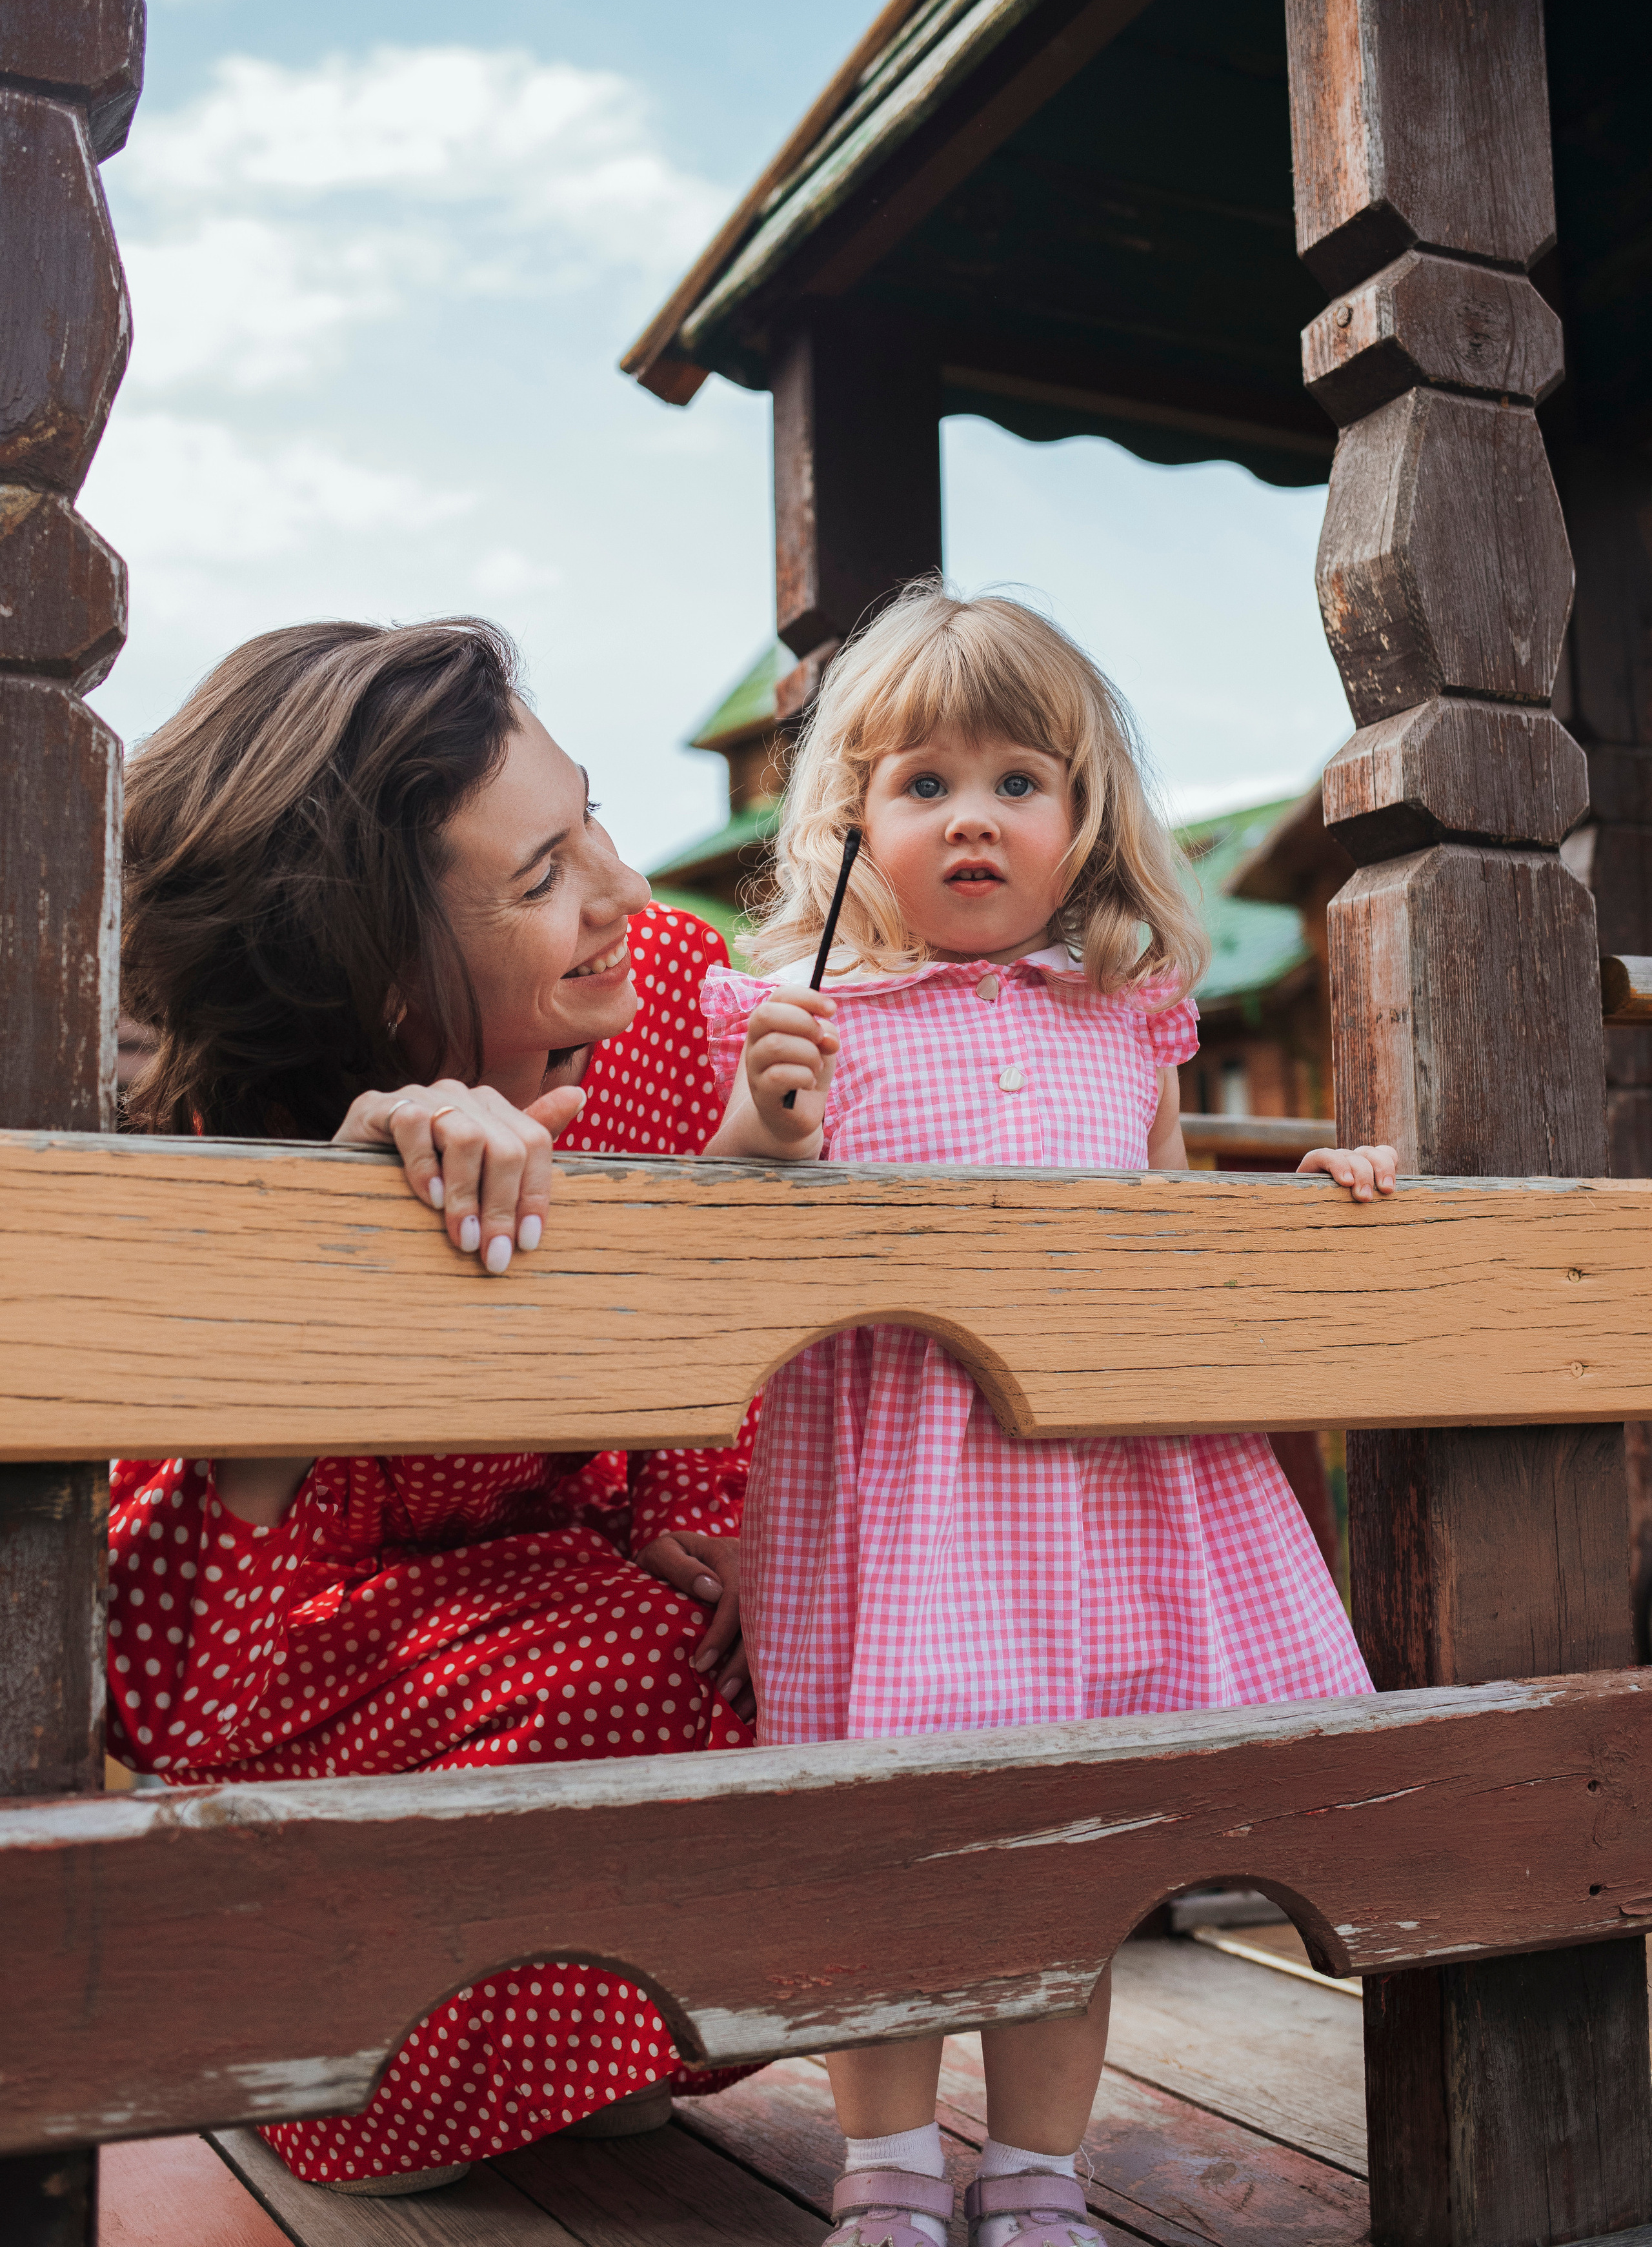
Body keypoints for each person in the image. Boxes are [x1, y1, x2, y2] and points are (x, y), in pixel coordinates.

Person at [701, 585, 1395, 2247]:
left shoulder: (1121, 1014)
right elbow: (717, 1245)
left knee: (1060, 1851)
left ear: (1081, 820)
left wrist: (1301, 1196)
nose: (972, 819)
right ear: (851, 820)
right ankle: (879, 2163)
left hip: (1084, 1488)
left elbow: (1162, 1226)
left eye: (1019, 781)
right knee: (890, 1845)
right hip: (891, 1487)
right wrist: (762, 1136)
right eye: (922, 783)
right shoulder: (806, 1020)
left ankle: (1033, 2168)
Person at [110, 617, 756, 2197]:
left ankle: (578, 2038)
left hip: (565, 1570)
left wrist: (710, 1523)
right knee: (622, 1681)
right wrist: (349, 1270)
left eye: (590, 813)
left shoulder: (659, 991)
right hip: (324, 1677)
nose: (619, 889)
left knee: (824, 1652)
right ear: (387, 990)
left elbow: (722, 1295)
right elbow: (166, 1704)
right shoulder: (221, 1150)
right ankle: (373, 2079)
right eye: (540, 880)